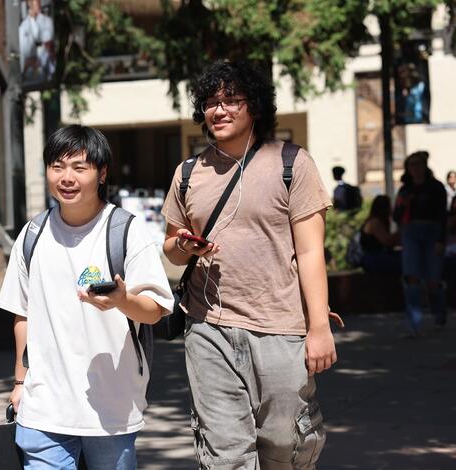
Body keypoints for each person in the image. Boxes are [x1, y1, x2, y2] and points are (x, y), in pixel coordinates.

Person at [161, 60, 335, 469]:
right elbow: (170, 248)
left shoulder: (292, 164)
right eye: (210, 102)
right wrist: (185, 246)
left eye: (231, 100)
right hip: (209, 329)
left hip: (280, 329)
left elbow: (311, 252)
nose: (218, 110)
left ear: (253, 106)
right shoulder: (188, 174)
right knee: (225, 453)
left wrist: (319, 328)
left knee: (284, 444)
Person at [0, 125, 174, 469]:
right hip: (43, 408)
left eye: (80, 168)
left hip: (111, 409)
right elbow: (23, 315)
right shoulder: (33, 234)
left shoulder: (125, 230)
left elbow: (155, 311)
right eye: (57, 166)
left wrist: (122, 300)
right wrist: (20, 382)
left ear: (102, 172)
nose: (66, 177)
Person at [393, 151, 448, 333]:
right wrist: (403, 204)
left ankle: (439, 312)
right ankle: (413, 321)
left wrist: (441, 240)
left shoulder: (436, 187)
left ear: (425, 166)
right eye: (411, 165)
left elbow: (442, 216)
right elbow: (396, 216)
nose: (415, 168)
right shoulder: (405, 189)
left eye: (418, 164)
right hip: (411, 234)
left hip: (432, 233)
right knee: (412, 277)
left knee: (433, 280)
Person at [359, 195, 401, 274]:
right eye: (389, 206)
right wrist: (401, 229)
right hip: (372, 259)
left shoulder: (377, 221)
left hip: (375, 257)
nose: (391, 209)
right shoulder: (375, 222)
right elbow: (387, 241)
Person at [18, 0, 56, 83]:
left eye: (39, 3)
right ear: (30, 4)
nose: (38, 5)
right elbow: (23, 48)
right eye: (35, 3)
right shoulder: (24, 26)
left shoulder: (47, 21)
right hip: (27, 69)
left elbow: (45, 41)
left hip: (42, 68)